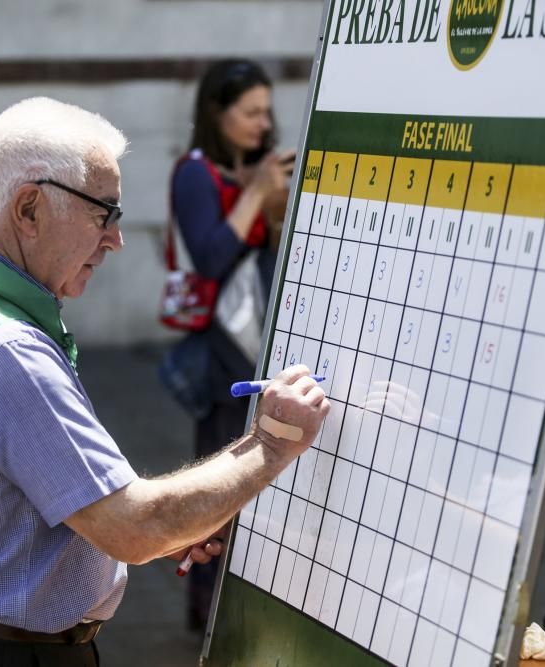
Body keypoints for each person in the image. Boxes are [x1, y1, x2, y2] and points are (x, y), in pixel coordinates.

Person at [0, 96, 328, 667]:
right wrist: (273, 442)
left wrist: (150, 529)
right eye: (103, 212)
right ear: (28, 209)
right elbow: (135, 527)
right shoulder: (5, 351)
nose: (115, 240)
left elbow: (16, 504)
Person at [167, 59, 294, 629]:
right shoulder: (195, 174)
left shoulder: (260, 166)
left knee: (265, 488)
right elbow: (212, 255)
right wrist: (258, 193)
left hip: (263, 347)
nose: (263, 124)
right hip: (222, 358)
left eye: (267, 112)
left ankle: (251, 603)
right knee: (218, 490)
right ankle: (209, 615)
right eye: (250, 112)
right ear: (217, 114)